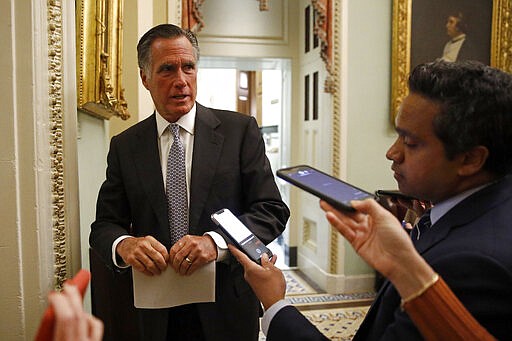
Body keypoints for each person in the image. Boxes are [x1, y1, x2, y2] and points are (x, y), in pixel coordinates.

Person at [232, 60, 512, 340]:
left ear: (471, 159)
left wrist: (275, 304)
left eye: (410, 142)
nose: (392, 152)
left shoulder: (469, 266)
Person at [89, 23, 289, 341]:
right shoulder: (125, 146)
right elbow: (104, 227)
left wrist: (215, 242)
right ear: (145, 78)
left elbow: (271, 210)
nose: (181, 81)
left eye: (188, 67)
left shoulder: (240, 132)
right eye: (167, 69)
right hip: (155, 313)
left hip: (227, 305)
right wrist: (125, 245)